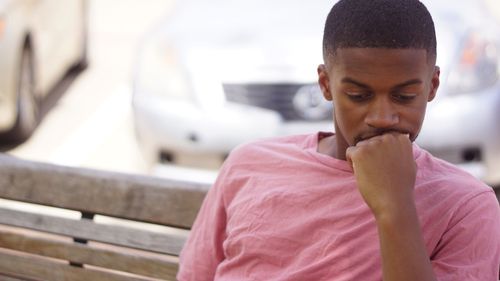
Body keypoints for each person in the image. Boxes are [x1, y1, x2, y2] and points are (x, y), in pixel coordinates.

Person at [177, 0, 500, 280]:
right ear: (326, 84)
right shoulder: (249, 164)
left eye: (404, 96)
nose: (382, 117)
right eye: (358, 95)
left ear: (432, 86)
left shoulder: (465, 206)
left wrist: (394, 205)